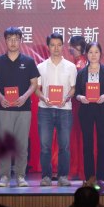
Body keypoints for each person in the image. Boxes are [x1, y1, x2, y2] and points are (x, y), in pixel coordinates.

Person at [0, 27, 40, 187]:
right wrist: (1, 97)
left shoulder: (29, 61)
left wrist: (24, 97)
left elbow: (34, 84)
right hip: (4, 108)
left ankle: (20, 176)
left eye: (16, 39)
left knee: (21, 144)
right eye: (10, 39)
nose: (13, 42)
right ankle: (4, 176)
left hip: (23, 109)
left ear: (20, 41)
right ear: (5, 41)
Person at [35, 33, 77, 187]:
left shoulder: (71, 67)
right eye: (52, 45)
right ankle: (46, 176)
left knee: (64, 146)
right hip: (45, 110)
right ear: (48, 47)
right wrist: (44, 98)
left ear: (63, 46)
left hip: (64, 110)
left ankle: (63, 176)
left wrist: (66, 97)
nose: (56, 48)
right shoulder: (40, 67)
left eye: (59, 45)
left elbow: (73, 88)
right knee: (45, 146)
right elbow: (36, 88)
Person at [75, 42, 104, 184]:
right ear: (86, 54)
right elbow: (77, 93)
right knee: (87, 144)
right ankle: (89, 177)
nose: (93, 55)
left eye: (96, 52)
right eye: (90, 52)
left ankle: (101, 177)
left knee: (102, 143)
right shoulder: (81, 73)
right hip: (86, 110)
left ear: (100, 54)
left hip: (102, 109)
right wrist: (81, 98)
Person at [68, 35, 87, 180]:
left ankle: (79, 169)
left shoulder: (81, 64)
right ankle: (77, 168)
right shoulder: (75, 63)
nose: (70, 49)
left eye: (73, 46)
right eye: (70, 46)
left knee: (79, 136)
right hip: (75, 103)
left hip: (79, 103)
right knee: (76, 137)